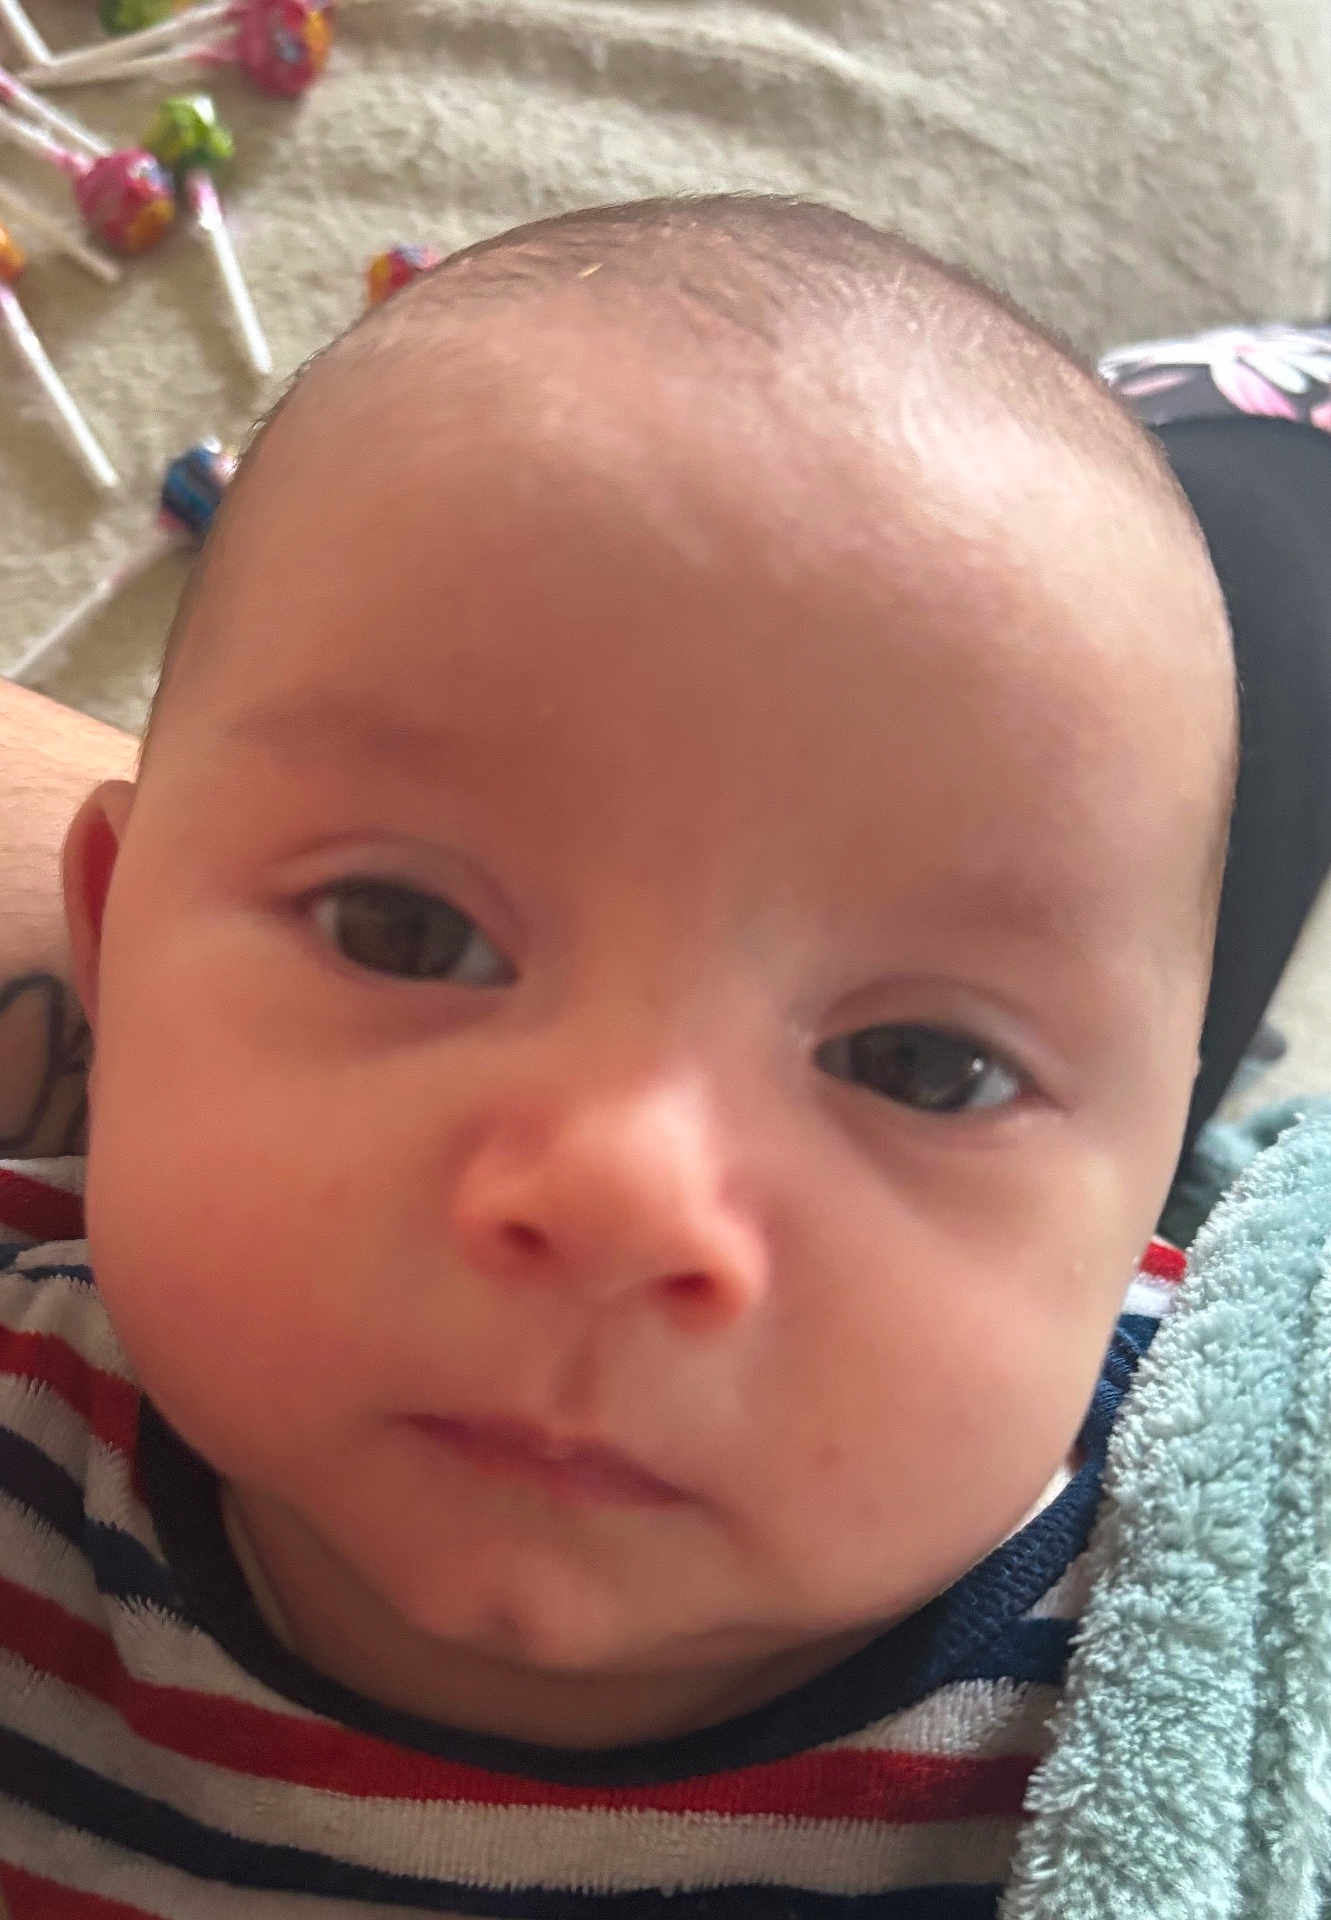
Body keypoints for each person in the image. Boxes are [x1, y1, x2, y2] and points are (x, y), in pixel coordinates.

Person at [0, 195, 1240, 1912]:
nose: (622, 1199)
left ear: (1151, 1184)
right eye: (403, 932)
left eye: (924, 1068)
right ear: (115, 943)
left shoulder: (1235, 1595)